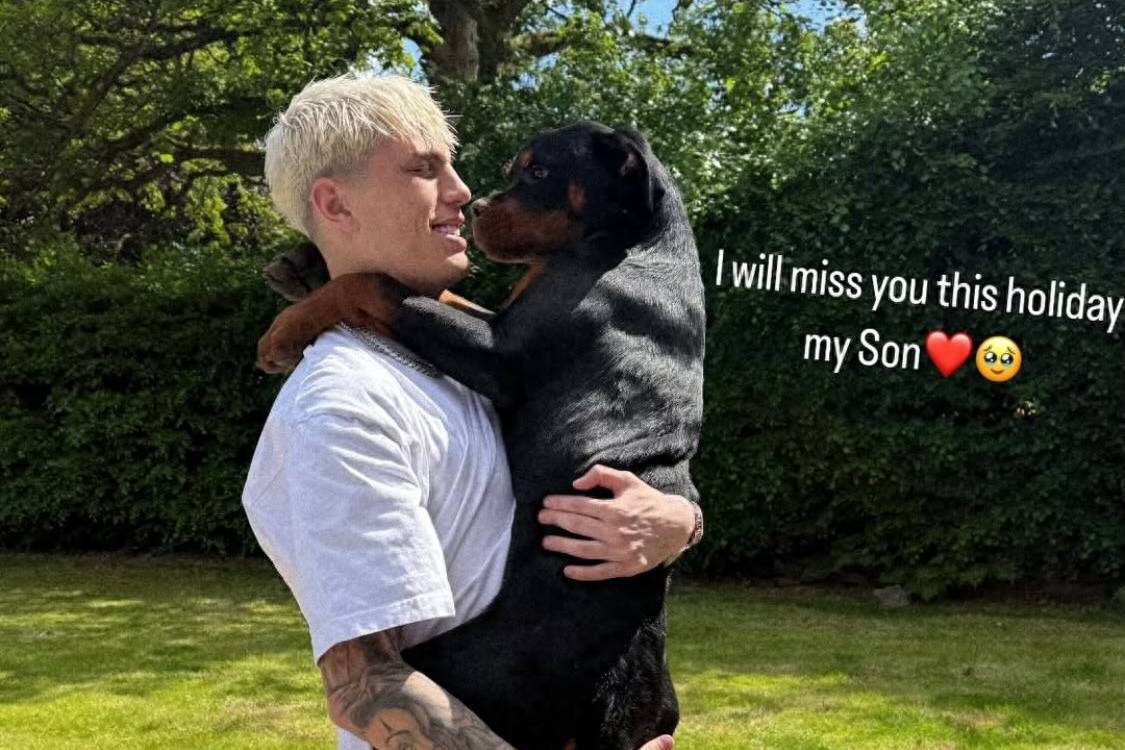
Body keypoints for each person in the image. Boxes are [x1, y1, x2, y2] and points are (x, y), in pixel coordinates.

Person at [241, 73, 701, 750]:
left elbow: (563, 401)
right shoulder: (338, 409)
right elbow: (367, 686)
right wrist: (341, 296)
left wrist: (680, 521)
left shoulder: (458, 366)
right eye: (424, 170)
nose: (463, 191)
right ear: (334, 203)